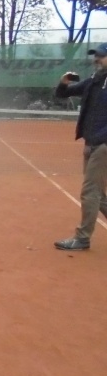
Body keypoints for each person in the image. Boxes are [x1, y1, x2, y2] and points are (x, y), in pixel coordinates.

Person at [53, 42, 107, 251]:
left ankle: (82, 238)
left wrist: (100, 139)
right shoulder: (94, 81)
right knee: (98, 194)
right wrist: (63, 83)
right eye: (96, 56)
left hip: (102, 145)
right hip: (91, 143)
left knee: (89, 192)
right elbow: (63, 94)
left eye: (101, 56)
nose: (97, 59)